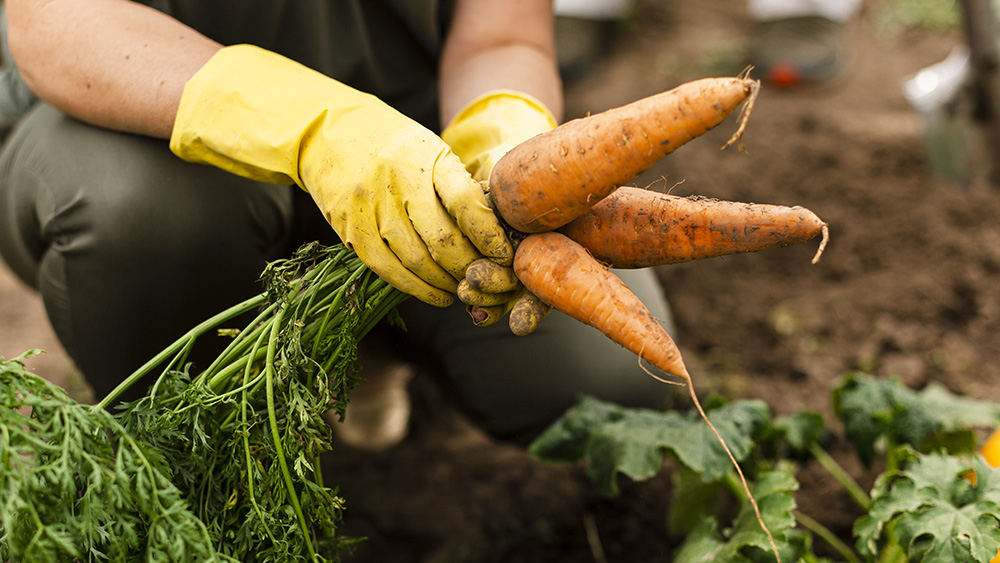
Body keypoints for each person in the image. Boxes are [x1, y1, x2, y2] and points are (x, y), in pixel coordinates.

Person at [0, 0, 674, 447]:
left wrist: (498, 149)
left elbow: (502, 34)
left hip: (418, 154)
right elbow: (57, 21)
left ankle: (366, 347)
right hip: (141, 136)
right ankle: (191, 455)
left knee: (618, 385)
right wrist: (313, 126)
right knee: (138, 216)